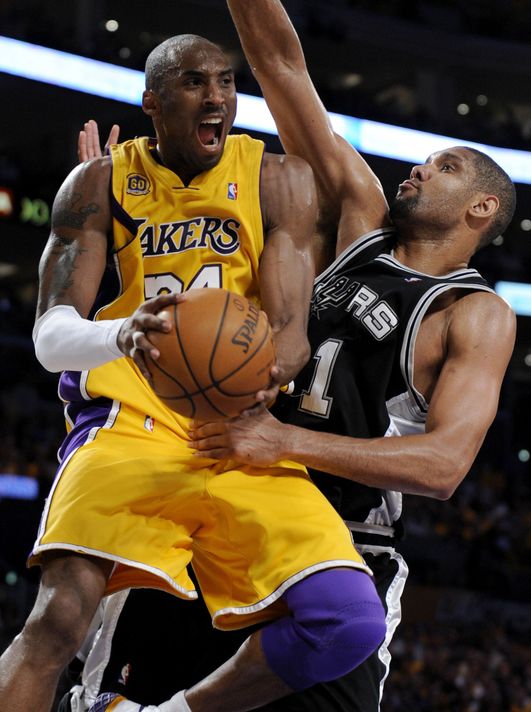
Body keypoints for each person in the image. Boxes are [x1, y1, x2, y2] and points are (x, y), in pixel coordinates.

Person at [87, 2, 517, 711]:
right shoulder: (360, 219)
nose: (418, 167)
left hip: (343, 539)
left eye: (444, 167)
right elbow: (282, 66)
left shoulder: (472, 313)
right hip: (229, 500)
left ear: (481, 211)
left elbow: (442, 468)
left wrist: (284, 440)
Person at [0, 33, 388, 712]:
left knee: (347, 619)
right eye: (193, 83)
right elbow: (51, 338)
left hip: (235, 432)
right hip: (129, 427)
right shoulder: (97, 184)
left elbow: (293, 336)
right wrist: (121, 332)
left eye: (225, 82)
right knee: (59, 621)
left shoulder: (277, 178)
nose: (216, 97)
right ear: (151, 100)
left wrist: (264, 370)